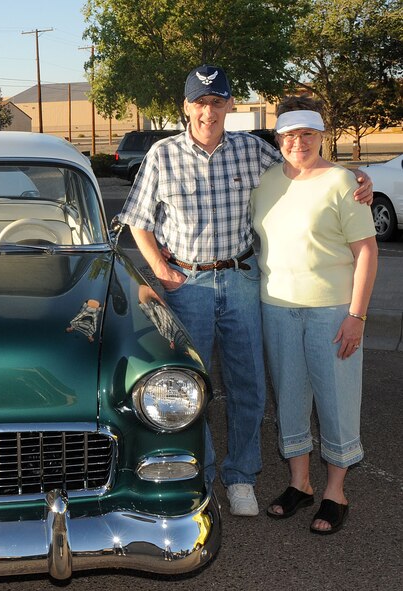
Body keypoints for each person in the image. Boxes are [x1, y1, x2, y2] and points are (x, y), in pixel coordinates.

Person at [116, 65, 373, 517]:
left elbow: (305, 167)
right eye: (200, 102)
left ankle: (241, 477)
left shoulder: (254, 152)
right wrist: (159, 268)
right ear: (186, 107)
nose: (208, 111)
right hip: (187, 282)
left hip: (242, 280)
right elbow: (137, 220)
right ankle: (202, 473)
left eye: (217, 102)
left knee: (249, 383)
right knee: (192, 386)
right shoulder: (162, 154)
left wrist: (355, 177)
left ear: (230, 106)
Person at [252, 96, 377, 534]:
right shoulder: (264, 181)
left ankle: (335, 492)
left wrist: (356, 317)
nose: (298, 143)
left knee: (337, 400)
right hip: (277, 308)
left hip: (332, 312)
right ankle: (300, 484)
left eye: (307, 134)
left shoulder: (344, 182)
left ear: (321, 135)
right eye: (289, 135)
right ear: (278, 138)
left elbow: (367, 252)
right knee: (289, 398)